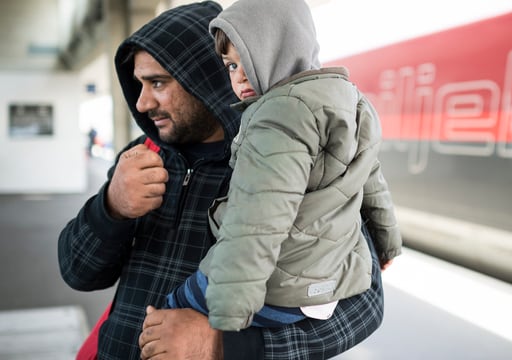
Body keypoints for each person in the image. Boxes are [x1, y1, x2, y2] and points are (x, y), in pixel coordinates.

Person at [58, 2, 393, 359]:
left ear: (203, 78)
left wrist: (221, 345)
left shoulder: (292, 157)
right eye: (139, 84)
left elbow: (363, 308)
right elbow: (78, 272)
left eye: (158, 83)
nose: (141, 103)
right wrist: (111, 206)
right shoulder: (141, 155)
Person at [165, 0, 402, 333]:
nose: (240, 75)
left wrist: (227, 319)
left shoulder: (278, 115)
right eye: (230, 66)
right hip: (330, 282)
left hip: (279, 290)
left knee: (166, 313)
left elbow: (257, 221)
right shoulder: (352, 100)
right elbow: (373, 184)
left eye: (247, 57)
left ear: (281, 47)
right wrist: (388, 244)